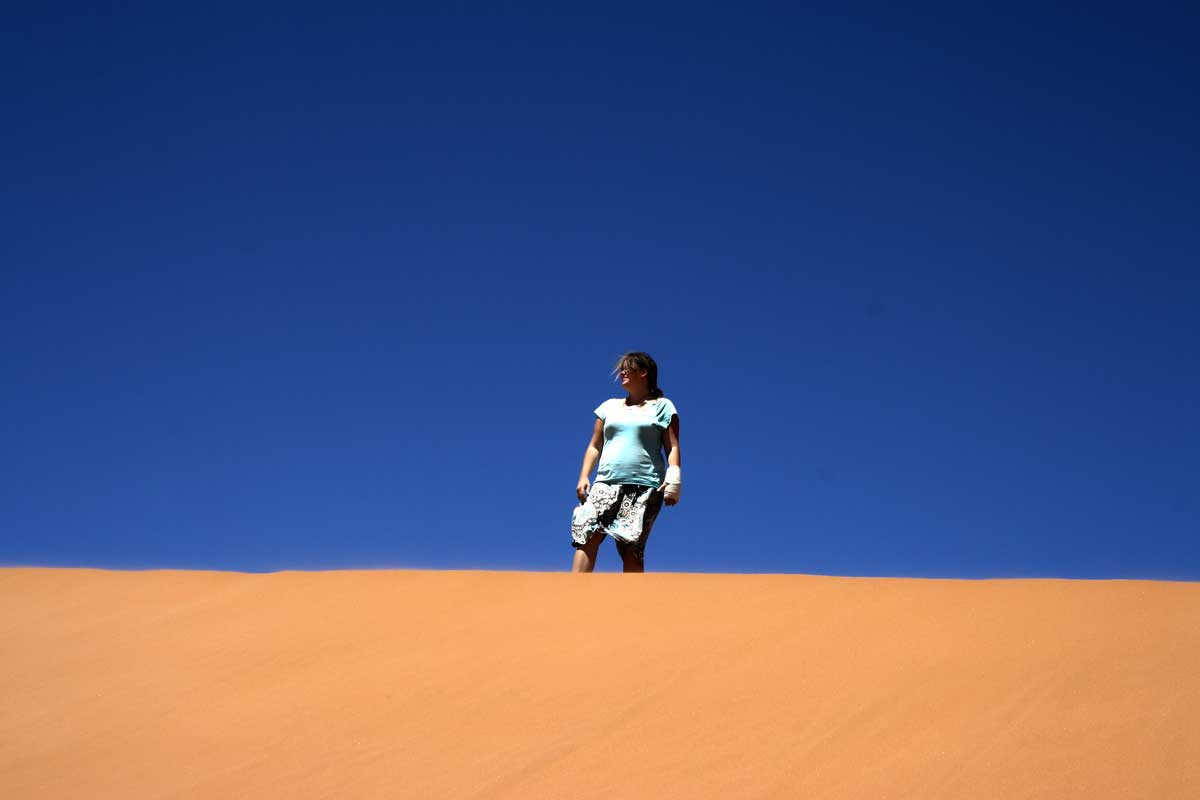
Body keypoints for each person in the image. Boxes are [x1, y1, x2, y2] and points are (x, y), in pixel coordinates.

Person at [571, 352, 681, 573]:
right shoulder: (609, 407)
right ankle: (572, 595)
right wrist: (584, 475)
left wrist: (674, 478)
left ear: (643, 373)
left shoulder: (663, 406)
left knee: (630, 547)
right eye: (621, 368)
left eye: (627, 368)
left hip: (644, 485)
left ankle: (633, 603)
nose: (622, 372)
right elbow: (595, 445)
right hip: (605, 483)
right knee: (588, 534)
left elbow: (672, 447)